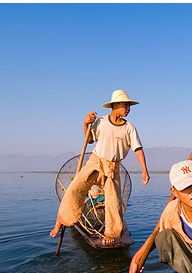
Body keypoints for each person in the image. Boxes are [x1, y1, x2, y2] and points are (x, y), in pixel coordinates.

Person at [50, 90, 150, 245]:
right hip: (95, 162)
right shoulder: (102, 121)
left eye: (130, 106)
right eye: (126, 105)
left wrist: (144, 170)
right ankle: (61, 219)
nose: (128, 109)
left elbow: (138, 149)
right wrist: (85, 123)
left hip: (113, 167)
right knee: (75, 189)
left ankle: (110, 233)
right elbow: (89, 140)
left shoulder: (129, 128)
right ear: (115, 105)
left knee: (113, 202)